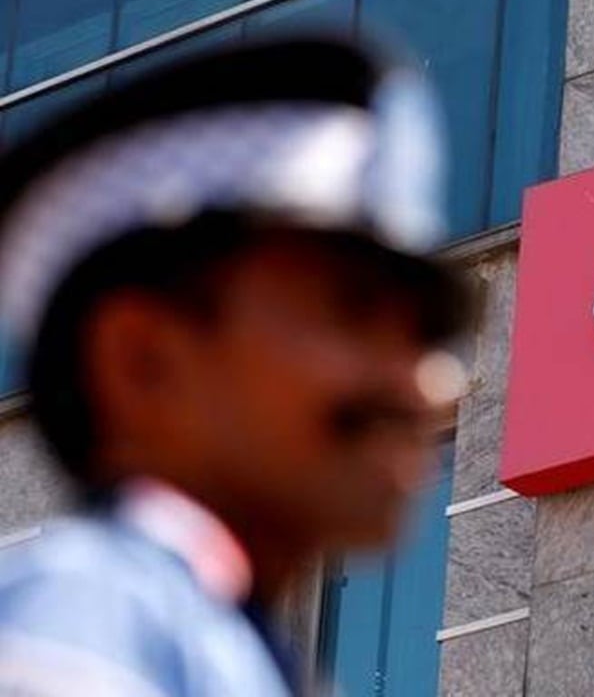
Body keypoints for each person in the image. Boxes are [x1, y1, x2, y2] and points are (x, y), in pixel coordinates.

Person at [0, 37, 474, 696]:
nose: (431, 384)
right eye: (353, 310)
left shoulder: (216, 647)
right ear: (143, 360)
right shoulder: (87, 623)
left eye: (424, 334)